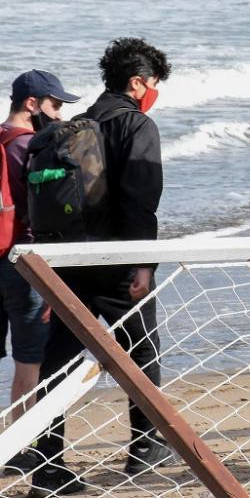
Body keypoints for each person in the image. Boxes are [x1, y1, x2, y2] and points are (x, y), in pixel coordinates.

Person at [31, 38, 173, 497]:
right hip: (116, 263)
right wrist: (143, 264)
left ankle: (49, 467)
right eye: (152, 83)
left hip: (71, 262)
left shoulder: (77, 123)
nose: (153, 91)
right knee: (141, 351)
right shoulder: (137, 125)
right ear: (137, 82)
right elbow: (141, 202)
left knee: (59, 364)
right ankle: (145, 447)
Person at [1, 71, 79, 476]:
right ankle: (18, 445)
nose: (60, 112)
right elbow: (39, 213)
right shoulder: (32, 146)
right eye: (55, 104)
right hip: (20, 265)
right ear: (32, 104)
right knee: (29, 361)